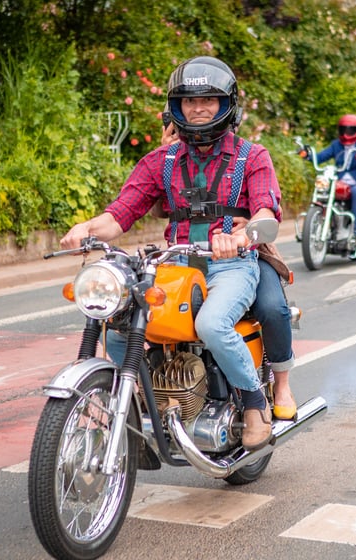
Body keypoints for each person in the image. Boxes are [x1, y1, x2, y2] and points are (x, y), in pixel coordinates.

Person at [60, 56, 281, 450]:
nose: (198, 109)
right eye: (189, 101)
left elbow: (266, 211)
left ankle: (254, 402)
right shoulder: (159, 161)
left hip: (231, 265)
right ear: (176, 107)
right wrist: (87, 229)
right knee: (119, 325)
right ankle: (143, 398)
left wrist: (242, 236)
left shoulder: (253, 156)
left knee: (212, 325)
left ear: (226, 104)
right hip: (176, 266)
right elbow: (119, 214)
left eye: (208, 100)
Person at [159, 119, 297, 422]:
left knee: (272, 308)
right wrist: (166, 159)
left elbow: (267, 208)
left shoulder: (249, 157)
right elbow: (155, 205)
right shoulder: (170, 161)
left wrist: (246, 230)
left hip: (245, 254)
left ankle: (281, 385)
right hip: (187, 259)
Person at [313, 114, 356, 241]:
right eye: (343, 129)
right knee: (324, 188)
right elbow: (320, 157)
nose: (346, 133)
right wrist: (306, 154)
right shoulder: (336, 145)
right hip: (340, 183)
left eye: (350, 129)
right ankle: (321, 222)